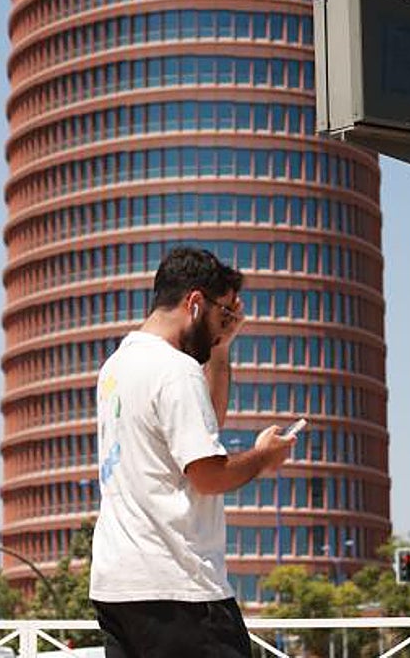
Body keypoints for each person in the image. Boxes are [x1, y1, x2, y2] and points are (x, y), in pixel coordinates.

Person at [89, 246, 297, 657]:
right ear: (195, 303)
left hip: (119, 585)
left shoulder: (116, 366)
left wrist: (220, 349)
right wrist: (263, 457)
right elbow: (207, 474)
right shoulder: (174, 369)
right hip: (178, 586)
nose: (223, 328)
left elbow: (203, 430)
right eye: (223, 315)